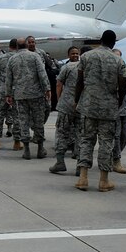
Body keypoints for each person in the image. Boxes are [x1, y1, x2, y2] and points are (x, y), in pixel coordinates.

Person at [75, 30, 126, 192]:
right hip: (108, 107)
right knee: (106, 143)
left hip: (89, 105)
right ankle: (103, 180)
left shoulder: (86, 57)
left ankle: (83, 177)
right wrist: (117, 102)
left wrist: (78, 100)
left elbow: (79, 81)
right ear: (114, 43)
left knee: (86, 140)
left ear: (100, 40)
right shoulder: (118, 60)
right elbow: (123, 85)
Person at [5, 37, 50, 160]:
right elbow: (42, 74)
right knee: (38, 121)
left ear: (17, 47)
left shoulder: (12, 59)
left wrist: (8, 94)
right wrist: (47, 89)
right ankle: (40, 148)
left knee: (23, 122)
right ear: (26, 45)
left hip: (20, 95)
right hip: (36, 95)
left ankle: (26, 150)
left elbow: (8, 79)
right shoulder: (35, 56)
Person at [50, 46, 81, 174]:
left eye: (77, 53)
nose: (75, 55)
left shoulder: (66, 67)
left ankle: (60, 161)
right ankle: (80, 165)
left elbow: (59, 84)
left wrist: (59, 99)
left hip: (67, 104)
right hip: (79, 105)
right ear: (69, 55)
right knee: (81, 134)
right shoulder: (83, 67)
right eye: (73, 53)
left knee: (62, 132)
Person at [0, 38, 22, 150]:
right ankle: (17, 142)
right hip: (17, 90)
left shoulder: (1, 58)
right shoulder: (19, 58)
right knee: (17, 116)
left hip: (3, 89)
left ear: (9, 46)